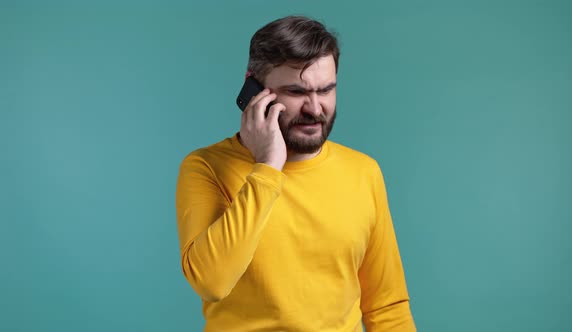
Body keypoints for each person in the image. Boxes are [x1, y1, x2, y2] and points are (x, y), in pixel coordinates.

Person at [175, 15, 416, 331]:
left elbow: (387, 307)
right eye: (297, 92)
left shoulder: (363, 172)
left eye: (326, 89)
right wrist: (268, 166)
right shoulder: (206, 167)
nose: (315, 108)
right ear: (253, 88)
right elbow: (212, 283)